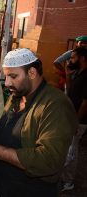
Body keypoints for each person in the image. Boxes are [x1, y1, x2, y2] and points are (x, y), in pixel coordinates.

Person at [0, 48, 78, 197]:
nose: (8, 82)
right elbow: (9, 134)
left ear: (32, 73)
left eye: (13, 76)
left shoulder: (56, 104)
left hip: (30, 189)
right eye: (6, 76)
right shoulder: (17, 95)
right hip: (2, 184)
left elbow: (49, 161)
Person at [61, 46, 87, 191]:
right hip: (72, 118)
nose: (70, 61)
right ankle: (65, 178)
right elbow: (70, 93)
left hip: (79, 121)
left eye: (73, 57)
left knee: (72, 151)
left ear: (82, 58)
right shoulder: (78, 73)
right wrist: (68, 75)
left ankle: (68, 181)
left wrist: (76, 122)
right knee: (68, 148)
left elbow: (85, 103)